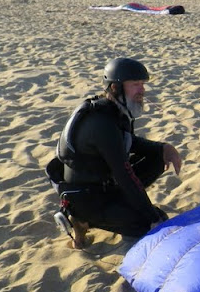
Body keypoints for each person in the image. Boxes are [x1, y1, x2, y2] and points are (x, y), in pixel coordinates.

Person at [46, 57, 182, 248]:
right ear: (115, 87)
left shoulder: (112, 110)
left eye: (142, 84)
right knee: (151, 222)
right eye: (135, 84)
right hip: (88, 198)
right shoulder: (102, 124)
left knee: (158, 157)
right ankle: (81, 220)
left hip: (106, 184)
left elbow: (128, 142)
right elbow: (124, 174)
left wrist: (162, 148)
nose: (142, 90)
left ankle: (105, 212)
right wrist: (151, 216)